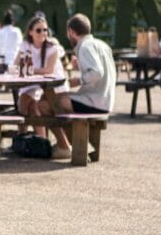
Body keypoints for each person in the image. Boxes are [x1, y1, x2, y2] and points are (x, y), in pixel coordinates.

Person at [37, 13, 116, 159]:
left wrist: (77, 81)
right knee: (54, 101)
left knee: (45, 104)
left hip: (94, 101)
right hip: (105, 100)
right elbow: (101, 71)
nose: (68, 37)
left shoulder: (85, 46)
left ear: (71, 32)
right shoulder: (101, 45)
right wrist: (79, 65)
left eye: (68, 33)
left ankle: (67, 146)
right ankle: (70, 145)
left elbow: (97, 72)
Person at [14, 15, 69, 137]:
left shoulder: (52, 47)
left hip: (52, 87)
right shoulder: (25, 45)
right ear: (30, 32)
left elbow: (48, 70)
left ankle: (34, 139)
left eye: (45, 30)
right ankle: (29, 139)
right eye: (39, 30)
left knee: (31, 103)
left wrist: (29, 70)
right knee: (27, 102)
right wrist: (24, 70)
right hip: (33, 84)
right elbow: (16, 65)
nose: (43, 33)